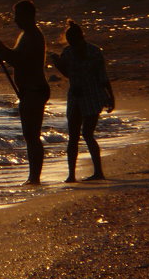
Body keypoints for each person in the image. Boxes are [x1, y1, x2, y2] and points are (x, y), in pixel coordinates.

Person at [0, 0, 50, 185]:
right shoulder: (27, 35)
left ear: (27, 15)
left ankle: (34, 178)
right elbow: (15, 57)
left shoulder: (33, 36)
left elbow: (18, 60)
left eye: (18, 15)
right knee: (30, 135)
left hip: (34, 90)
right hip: (29, 90)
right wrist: (0, 51)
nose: (15, 20)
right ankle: (33, 176)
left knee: (32, 135)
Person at [49, 20, 115, 182]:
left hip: (92, 95)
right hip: (77, 96)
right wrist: (58, 63)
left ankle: (97, 172)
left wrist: (111, 97)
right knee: (74, 135)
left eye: (73, 39)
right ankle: (72, 174)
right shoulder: (70, 52)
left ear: (79, 37)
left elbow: (102, 77)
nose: (72, 42)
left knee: (86, 134)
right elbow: (69, 74)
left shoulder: (93, 52)